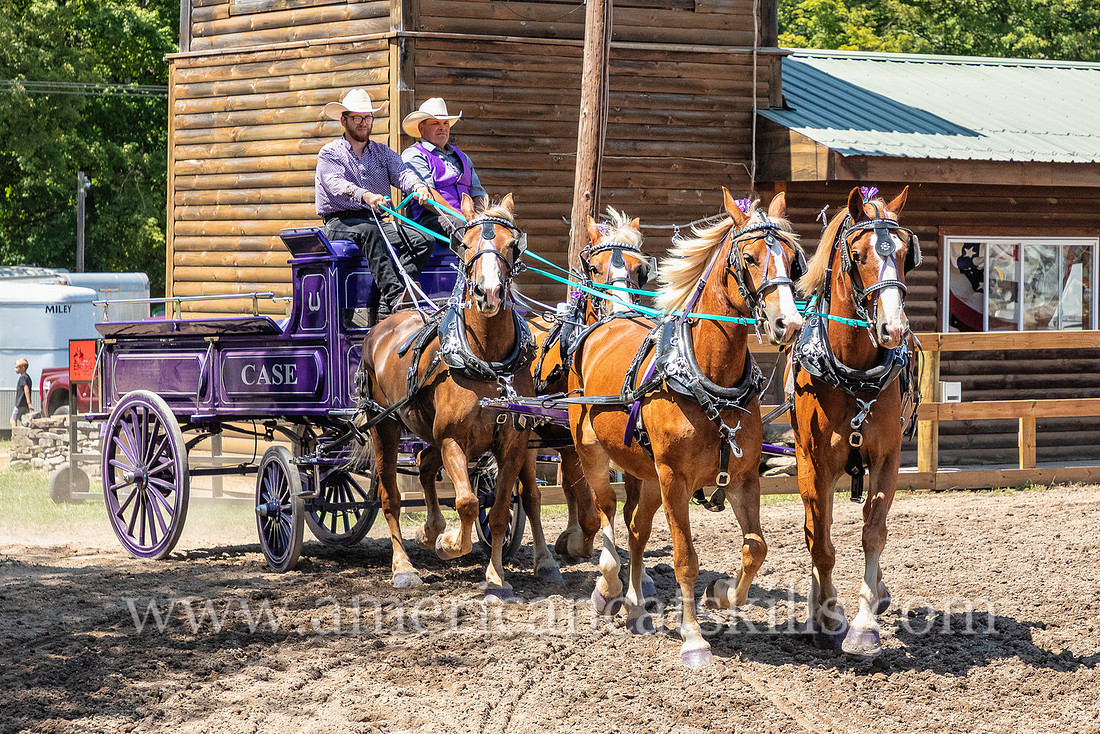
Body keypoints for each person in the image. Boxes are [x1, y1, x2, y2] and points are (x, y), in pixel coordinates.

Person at [315, 89, 435, 317]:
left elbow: (403, 174)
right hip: (340, 223)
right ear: (344, 120)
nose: (363, 123)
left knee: (423, 240)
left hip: (375, 223)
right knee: (370, 232)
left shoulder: (383, 152)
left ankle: (387, 304)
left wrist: (419, 187)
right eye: (357, 118)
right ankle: (395, 296)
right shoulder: (330, 153)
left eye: (367, 117)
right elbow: (335, 184)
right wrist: (366, 196)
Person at [401, 97, 488, 235]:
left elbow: (477, 192)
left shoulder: (462, 157)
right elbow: (429, 197)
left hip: (467, 218)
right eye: (435, 123)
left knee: (501, 224)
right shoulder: (414, 155)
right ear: (421, 128)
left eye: (446, 123)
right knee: (460, 226)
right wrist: (463, 217)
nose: (442, 127)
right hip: (430, 219)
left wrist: (479, 217)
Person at [11, 358, 32, 429]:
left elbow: (26, 390)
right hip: (25, 405)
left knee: (13, 419)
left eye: (17, 367)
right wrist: (28, 403)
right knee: (24, 421)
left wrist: (29, 403)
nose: (15, 369)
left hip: (19, 404)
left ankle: (14, 434)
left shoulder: (23, 378)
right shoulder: (28, 377)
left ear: (23, 368)